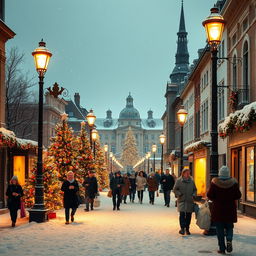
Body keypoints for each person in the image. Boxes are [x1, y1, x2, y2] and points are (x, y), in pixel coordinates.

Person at [207, 166, 241, 254]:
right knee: (230, 227)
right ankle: (229, 239)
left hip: (218, 211)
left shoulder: (215, 183)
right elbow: (238, 195)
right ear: (228, 174)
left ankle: (222, 249)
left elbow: (210, 195)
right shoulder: (233, 183)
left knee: (220, 230)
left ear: (220, 173)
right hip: (230, 210)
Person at [173, 168, 197, 235]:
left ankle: (187, 229)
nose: (188, 174)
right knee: (182, 215)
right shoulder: (179, 181)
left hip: (189, 200)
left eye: (189, 173)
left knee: (188, 216)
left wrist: (194, 194)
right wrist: (179, 194)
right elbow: (174, 189)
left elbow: (195, 189)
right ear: (183, 173)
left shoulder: (192, 181)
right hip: (181, 200)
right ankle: (182, 229)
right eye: (186, 173)